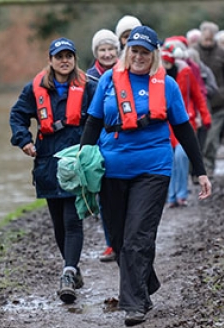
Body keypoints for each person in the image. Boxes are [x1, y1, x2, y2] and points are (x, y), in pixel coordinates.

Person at [80, 26, 212, 326]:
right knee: (118, 238)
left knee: (138, 235)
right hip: (112, 168)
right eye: (134, 51)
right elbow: (93, 121)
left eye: (145, 52)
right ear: (127, 52)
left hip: (153, 168)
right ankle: (145, 284)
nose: (139, 57)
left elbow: (184, 130)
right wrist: (81, 159)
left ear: (154, 55)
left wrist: (200, 172)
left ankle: (133, 304)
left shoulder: (166, 86)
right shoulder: (107, 81)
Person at [9, 37, 97, 304]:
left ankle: (68, 273)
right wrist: (24, 140)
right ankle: (72, 268)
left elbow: (101, 118)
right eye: (59, 56)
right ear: (50, 60)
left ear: (74, 59)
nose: (64, 60)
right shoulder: (33, 89)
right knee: (58, 222)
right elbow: (17, 116)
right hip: (47, 162)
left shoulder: (88, 87)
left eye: (69, 56)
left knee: (72, 219)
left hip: (76, 160)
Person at [161, 40, 211, 208]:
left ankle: (181, 194)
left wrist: (205, 116)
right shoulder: (157, 77)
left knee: (181, 157)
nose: (166, 65)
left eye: (168, 62)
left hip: (186, 121)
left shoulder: (186, 73)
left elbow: (197, 96)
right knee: (170, 159)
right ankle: (171, 196)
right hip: (166, 126)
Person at [86, 28, 120, 262]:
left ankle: (125, 240)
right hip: (97, 141)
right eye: (102, 49)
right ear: (96, 52)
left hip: (121, 141)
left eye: (111, 49)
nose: (107, 54)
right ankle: (111, 243)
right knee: (103, 196)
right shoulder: (87, 78)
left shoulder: (128, 72)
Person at [194, 21, 224, 176]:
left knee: (212, 139)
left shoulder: (222, 53)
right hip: (198, 105)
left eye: (210, 39)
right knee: (199, 140)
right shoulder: (193, 52)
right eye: (205, 39)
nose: (208, 42)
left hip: (218, 104)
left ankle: (209, 167)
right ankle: (197, 171)